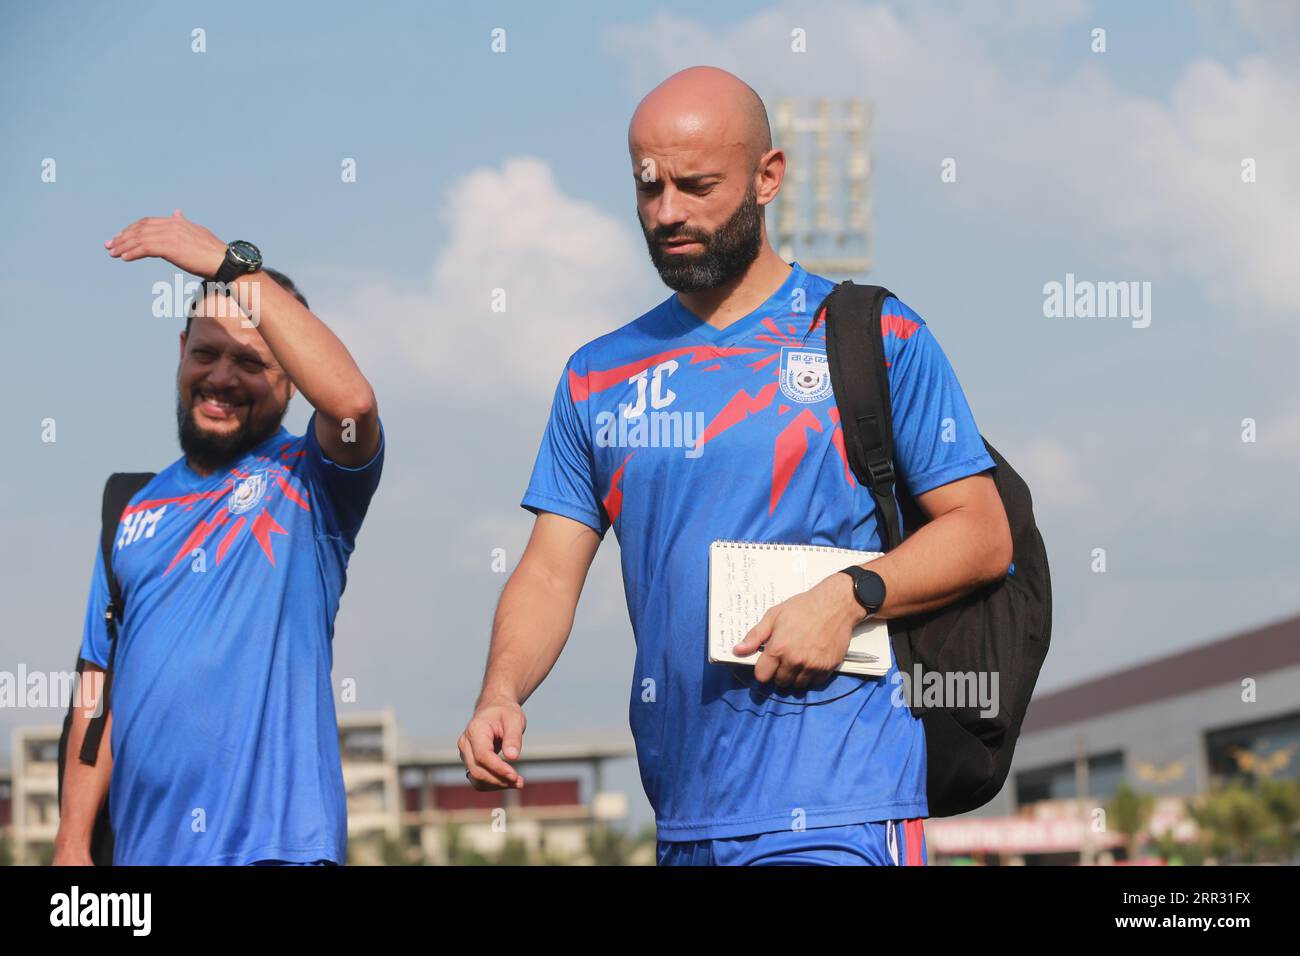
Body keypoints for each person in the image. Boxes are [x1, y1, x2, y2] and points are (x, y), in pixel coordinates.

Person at [458, 66, 1012, 866]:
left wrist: (849, 596)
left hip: (842, 806)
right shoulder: (596, 375)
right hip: (685, 815)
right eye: (648, 188)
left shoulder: (871, 335)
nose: (668, 212)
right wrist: (501, 690)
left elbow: (982, 533)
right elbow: (549, 572)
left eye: (697, 184)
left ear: (768, 176)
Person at [55, 211, 384, 865]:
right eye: (206, 352)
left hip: (277, 852)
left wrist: (230, 264)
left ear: (290, 378)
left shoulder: (313, 481)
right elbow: (97, 685)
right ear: (181, 352)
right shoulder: (128, 508)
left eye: (251, 361)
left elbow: (351, 405)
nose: (223, 377)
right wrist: (70, 844)